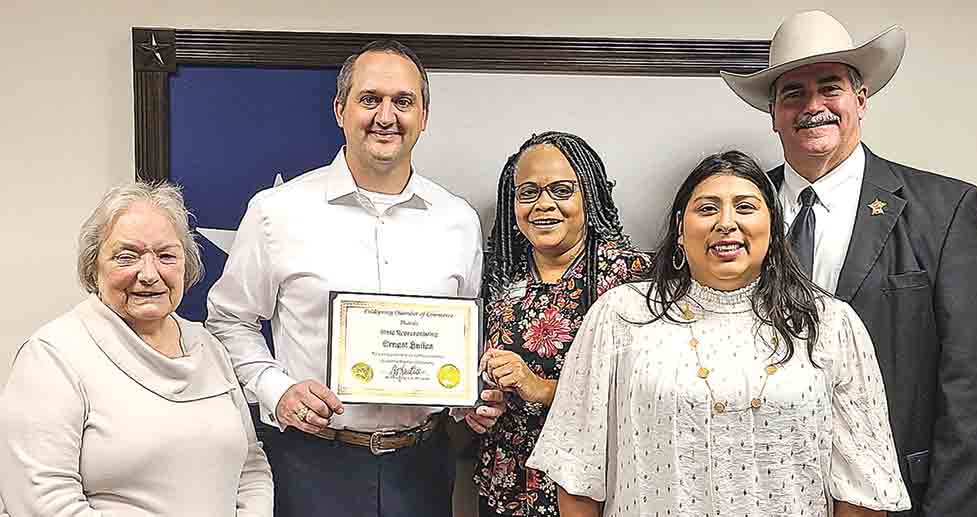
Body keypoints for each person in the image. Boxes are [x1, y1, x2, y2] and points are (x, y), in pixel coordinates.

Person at [206, 39, 505, 517]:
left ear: (423, 116)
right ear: (340, 109)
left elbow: (462, 336)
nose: (386, 116)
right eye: (370, 99)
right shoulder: (276, 212)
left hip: (423, 467)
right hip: (310, 462)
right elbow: (228, 321)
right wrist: (276, 389)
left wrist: (468, 396)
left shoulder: (459, 220)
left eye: (403, 101)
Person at [720, 11, 977, 516]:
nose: (814, 107)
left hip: (899, 498)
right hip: (756, 491)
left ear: (860, 100)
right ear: (773, 114)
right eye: (793, 94)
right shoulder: (731, 212)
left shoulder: (945, 211)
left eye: (830, 88)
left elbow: (975, 392)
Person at [527, 151, 911, 516]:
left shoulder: (828, 323)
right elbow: (576, 472)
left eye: (745, 207)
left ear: (774, 229)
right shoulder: (620, 315)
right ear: (680, 229)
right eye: (707, 208)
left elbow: (864, 486)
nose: (726, 222)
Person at [0, 182, 273, 516]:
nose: (148, 274)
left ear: (185, 266)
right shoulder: (52, 356)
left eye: (166, 256)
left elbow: (252, 468)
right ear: (93, 266)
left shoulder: (208, 345)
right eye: (126, 256)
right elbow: (43, 502)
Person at [476, 131, 650, 517]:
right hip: (505, 485)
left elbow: (643, 396)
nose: (543, 205)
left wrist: (541, 388)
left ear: (589, 195)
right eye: (528, 192)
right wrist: (479, 404)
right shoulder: (500, 276)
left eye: (561, 189)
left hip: (588, 490)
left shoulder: (631, 280)